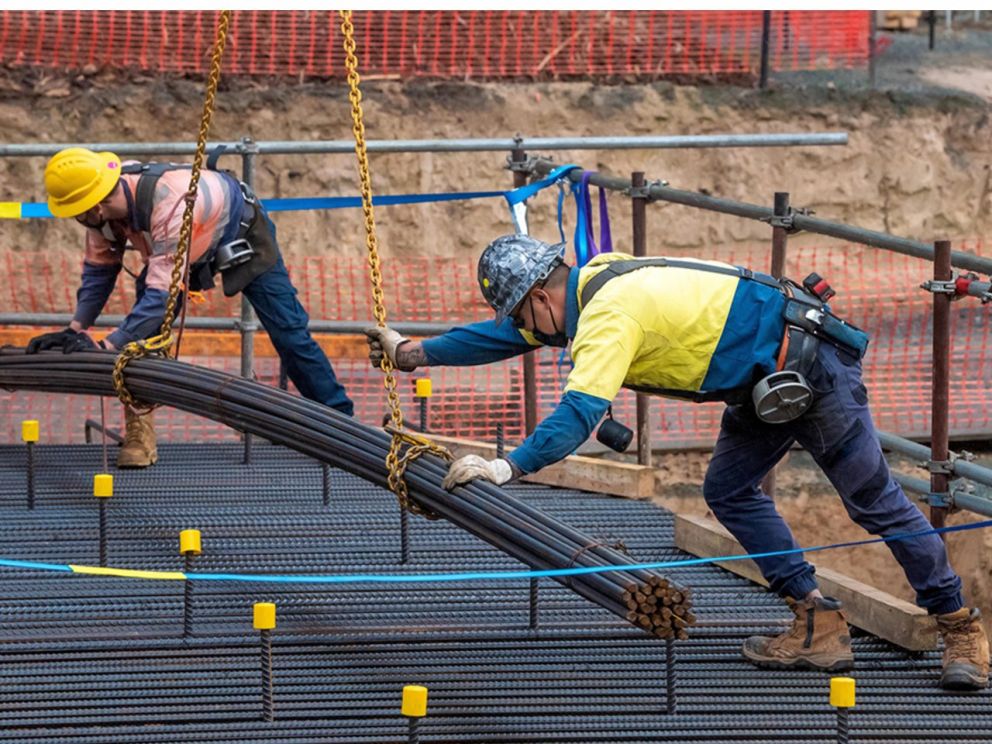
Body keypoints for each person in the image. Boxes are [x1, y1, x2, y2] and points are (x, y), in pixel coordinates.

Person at [366, 233, 989, 690]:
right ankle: (818, 624)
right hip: (761, 380)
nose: (524, 327)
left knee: (872, 500)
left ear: (536, 294)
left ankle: (960, 628)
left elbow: (581, 413)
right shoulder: (588, 282)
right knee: (732, 490)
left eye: (522, 313)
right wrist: (416, 354)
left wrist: (507, 468)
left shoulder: (608, 315)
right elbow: (507, 335)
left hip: (812, 368)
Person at [27, 147, 353, 467]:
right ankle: (141, 438)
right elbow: (99, 272)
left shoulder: (170, 202)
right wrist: (75, 329)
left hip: (240, 233)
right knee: (141, 338)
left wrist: (105, 346)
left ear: (95, 207)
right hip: (179, 250)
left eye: (76, 212)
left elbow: (161, 296)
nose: (76, 219)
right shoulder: (102, 206)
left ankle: (342, 426)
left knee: (289, 332)